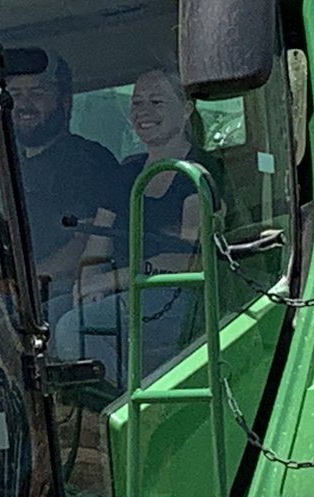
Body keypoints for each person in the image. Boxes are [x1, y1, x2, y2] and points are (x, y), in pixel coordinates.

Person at [54, 68, 217, 384]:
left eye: (156, 102)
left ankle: (131, 414)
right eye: (137, 103)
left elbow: (189, 258)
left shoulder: (201, 172)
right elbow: (98, 245)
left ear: (186, 109)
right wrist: (87, 285)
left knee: (73, 329)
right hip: (126, 291)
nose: (144, 112)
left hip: (177, 296)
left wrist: (111, 281)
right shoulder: (126, 173)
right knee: (41, 320)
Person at [6, 50, 126, 322]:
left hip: (55, 291)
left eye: (37, 94)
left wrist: (23, 281)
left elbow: (82, 246)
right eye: (15, 94)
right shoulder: (1, 165)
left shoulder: (88, 162)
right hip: (2, 289)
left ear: (65, 102)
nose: (24, 105)